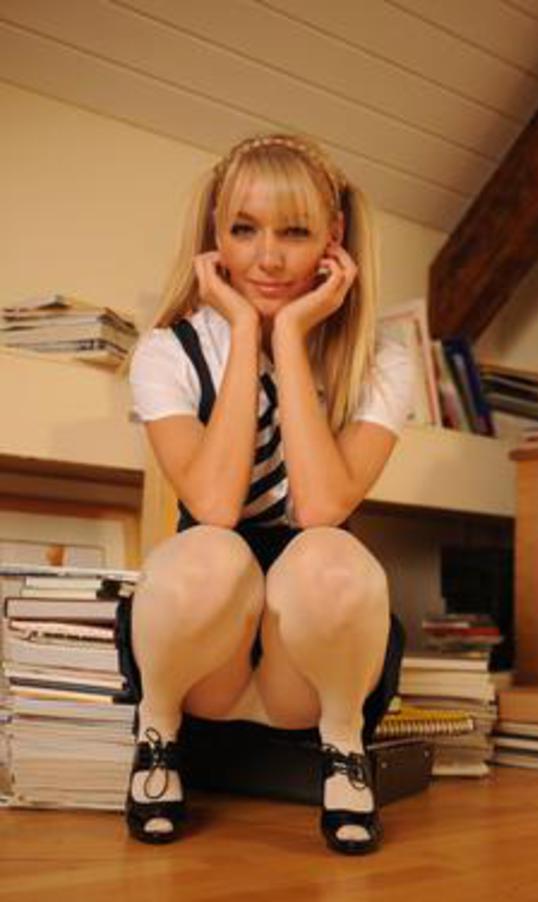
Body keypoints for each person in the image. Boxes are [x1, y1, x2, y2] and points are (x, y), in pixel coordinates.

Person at [122, 133, 414, 855]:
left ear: (333, 238)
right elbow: (215, 506)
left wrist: (289, 339)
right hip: (204, 658)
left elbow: (321, 509)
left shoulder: (382, 361)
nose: (269, 258)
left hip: (310, 664)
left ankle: (342, 746)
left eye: (295, 232)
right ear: (215, 233)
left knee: (328, 554)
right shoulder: (166, 352)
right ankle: (158, 733)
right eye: (245, 229)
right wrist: (246, 331)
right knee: (210, 551)